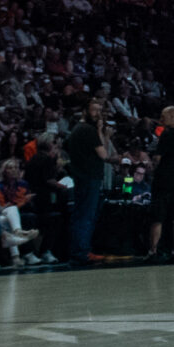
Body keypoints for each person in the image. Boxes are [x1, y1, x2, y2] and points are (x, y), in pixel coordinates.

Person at [145, 106, 174, 261]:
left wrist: (152, 166)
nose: (161, 119)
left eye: (164, 116)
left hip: (164, 180)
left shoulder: (166, 134)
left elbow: (158, 157)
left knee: (157, 217)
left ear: (173, 115)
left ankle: (153, 251)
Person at [65, 96, 108, 259]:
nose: (98, 113)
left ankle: (81, 250)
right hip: (89, 178)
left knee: (82, 214)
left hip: (84, 177)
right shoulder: (88, 130)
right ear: (85, 111)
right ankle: (81, 252)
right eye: (94, 110)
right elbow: (104, 154)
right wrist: (99, 130)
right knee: (86, 216)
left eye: (99, 110)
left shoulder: (79, 128)